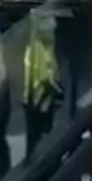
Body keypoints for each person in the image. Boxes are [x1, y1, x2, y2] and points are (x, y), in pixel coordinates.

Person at [22, 12, 63, 153]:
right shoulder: (42, 50)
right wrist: (59, 92)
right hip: (40, 99)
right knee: (42, 134)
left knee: (34, 136)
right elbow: (47, 77)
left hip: (35, 98)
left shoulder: (34, 49)